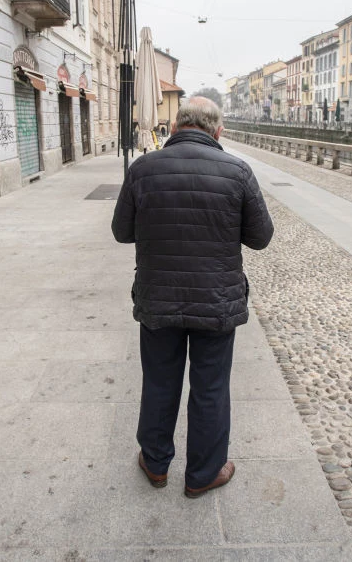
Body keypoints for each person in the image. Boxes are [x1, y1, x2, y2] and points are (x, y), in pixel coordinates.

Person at [111, 96, 274, 498]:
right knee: (211, 387)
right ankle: (203, 474)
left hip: (158, 300)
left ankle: (155, 463)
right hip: (216, 302)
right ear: (217, 131)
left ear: (176, 125)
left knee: (159, 381)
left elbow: (121, 231)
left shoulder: (143, 169)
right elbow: (261, 238)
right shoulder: (238, 171)